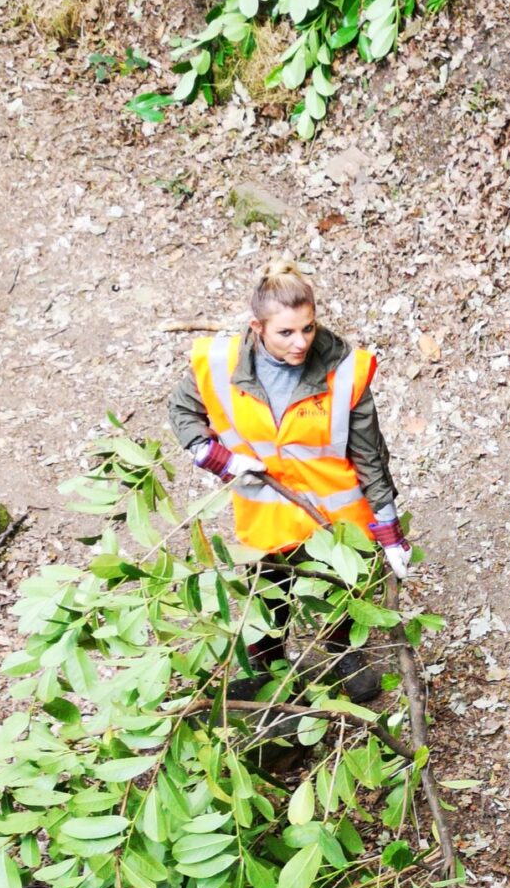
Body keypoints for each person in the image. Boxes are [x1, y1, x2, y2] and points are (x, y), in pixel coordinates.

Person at [168, 259, 408, 702]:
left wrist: (389, 530)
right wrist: (216, 457)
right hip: (266, 513)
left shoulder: (344, 371)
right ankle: (269, 671)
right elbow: (182, 411)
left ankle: (344, 654)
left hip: (332, 515)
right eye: (286, 333)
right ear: (257, 327)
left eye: (309, 328)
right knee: (268, 595)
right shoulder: (220, 364)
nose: (301, 343)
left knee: (338, 590)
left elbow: (371, 456)